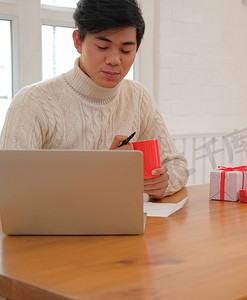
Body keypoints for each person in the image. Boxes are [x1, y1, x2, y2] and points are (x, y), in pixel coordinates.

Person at [0, 0, 188, 199]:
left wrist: (164, 182)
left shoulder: (138, 97)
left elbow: (177, 165)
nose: (114, 60)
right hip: (54, 228)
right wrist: (103, 171)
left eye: (126, 50)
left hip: (124, 225)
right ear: (77, 42)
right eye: (102, 47)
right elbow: (8, 187)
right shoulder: (32, 103)